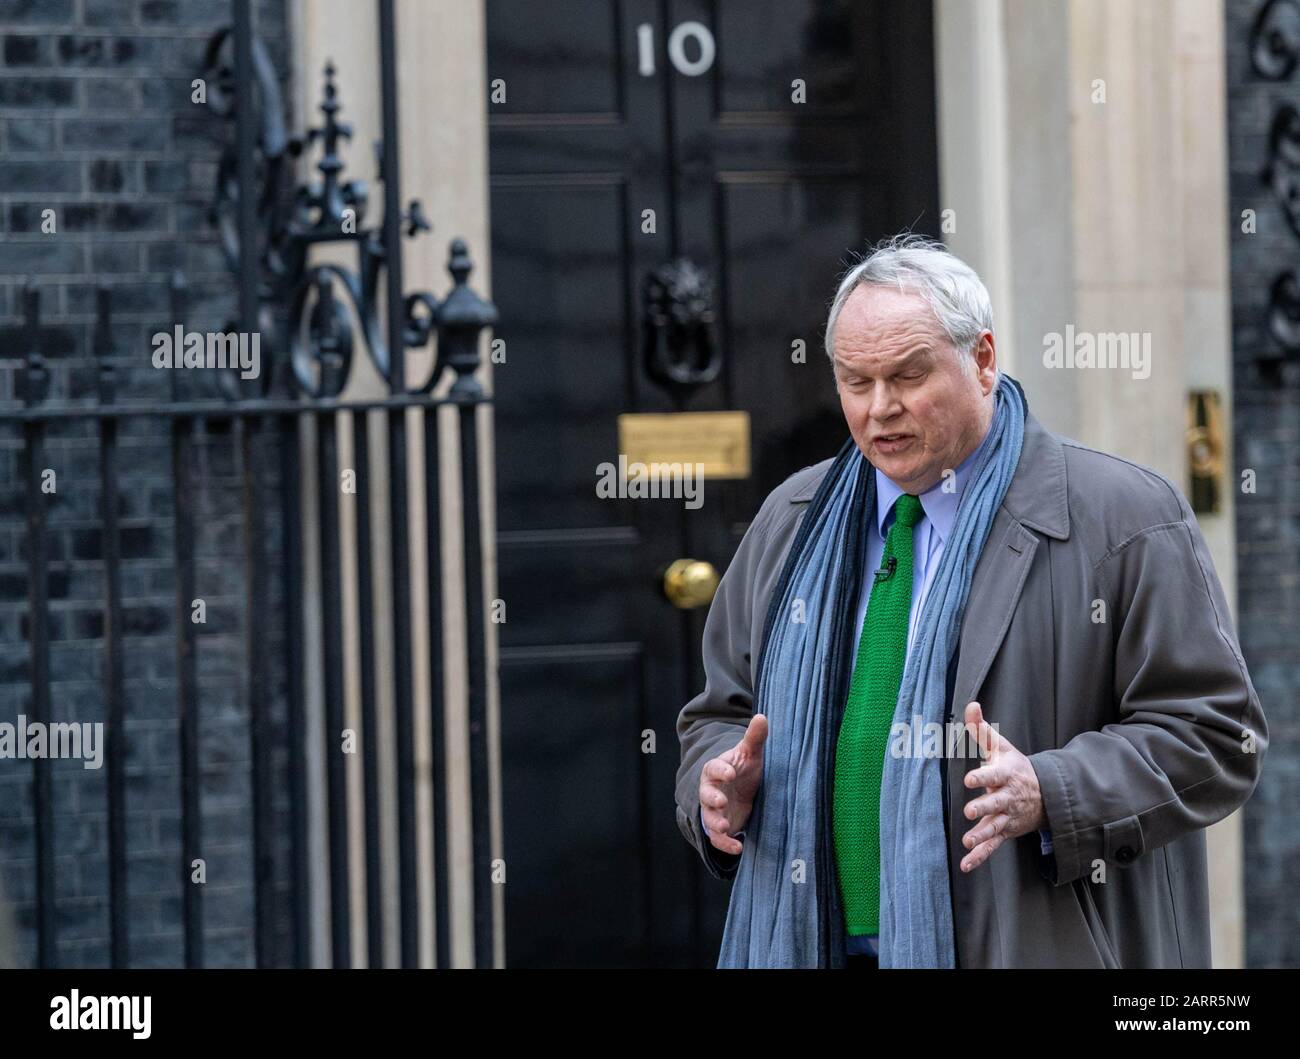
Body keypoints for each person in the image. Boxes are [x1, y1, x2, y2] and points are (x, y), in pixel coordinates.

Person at [674, 235, 1267, 968]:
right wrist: (714, 784)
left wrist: (1053, 789)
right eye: (855, 381)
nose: (880, 408)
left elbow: (1217, 736)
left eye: (907, 375)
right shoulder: (792, 518)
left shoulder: (1126, 516)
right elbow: (718, 714)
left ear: (983, 360)